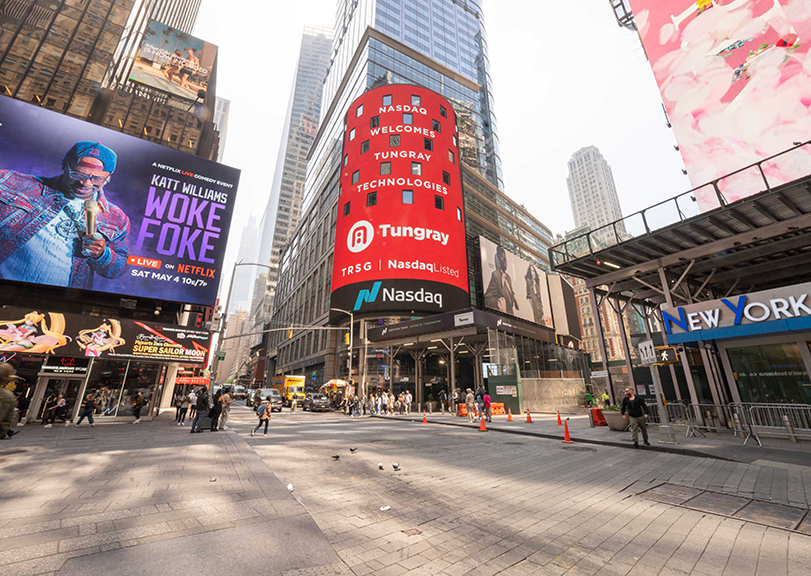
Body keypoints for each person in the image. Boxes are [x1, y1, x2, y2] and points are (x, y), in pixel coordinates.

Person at [0, 141, 129, 289]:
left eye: (97, 179)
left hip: (59, 302)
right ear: (64, 165)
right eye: (77, 174)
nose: (86, 183)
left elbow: (118, 268)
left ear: (109, 177)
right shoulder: (9, 182)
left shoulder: (118, 218)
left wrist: (102, 254)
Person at [484, 246, 518, 314]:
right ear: (498, 259)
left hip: (511, 316)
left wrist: (514, 297)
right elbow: (487, 299)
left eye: (506, 259)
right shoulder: (495, 275)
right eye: (503, 258)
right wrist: (498, 302)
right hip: (501, 317)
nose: (505, 262)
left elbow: (509, 292)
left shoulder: (508, 277)